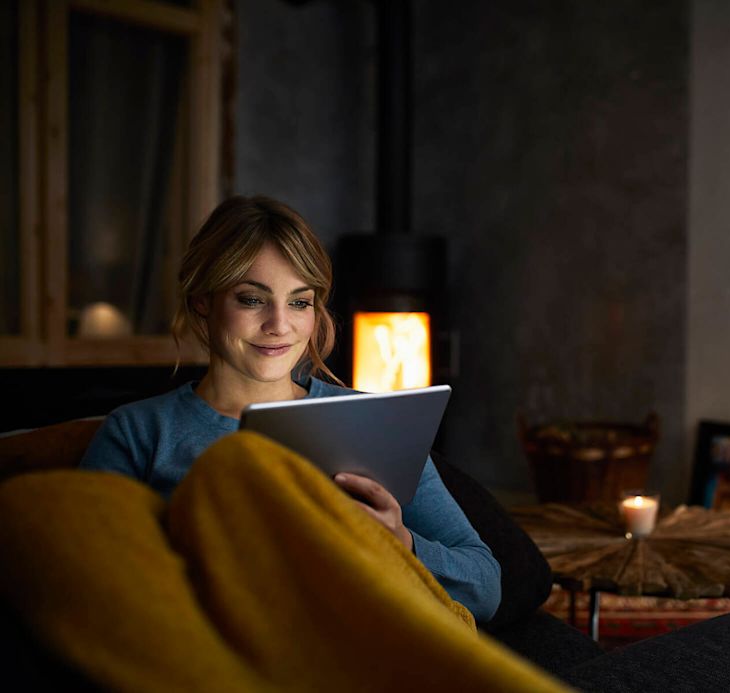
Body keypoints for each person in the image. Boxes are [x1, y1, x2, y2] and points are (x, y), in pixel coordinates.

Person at [79, 195, 501, 623]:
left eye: (300, 302)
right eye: (251, 299)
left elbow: (484, 587)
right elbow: (85, 587)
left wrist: (401, 541)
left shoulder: (376, 421)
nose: (279, 325)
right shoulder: (139, 431)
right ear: (204, 300)